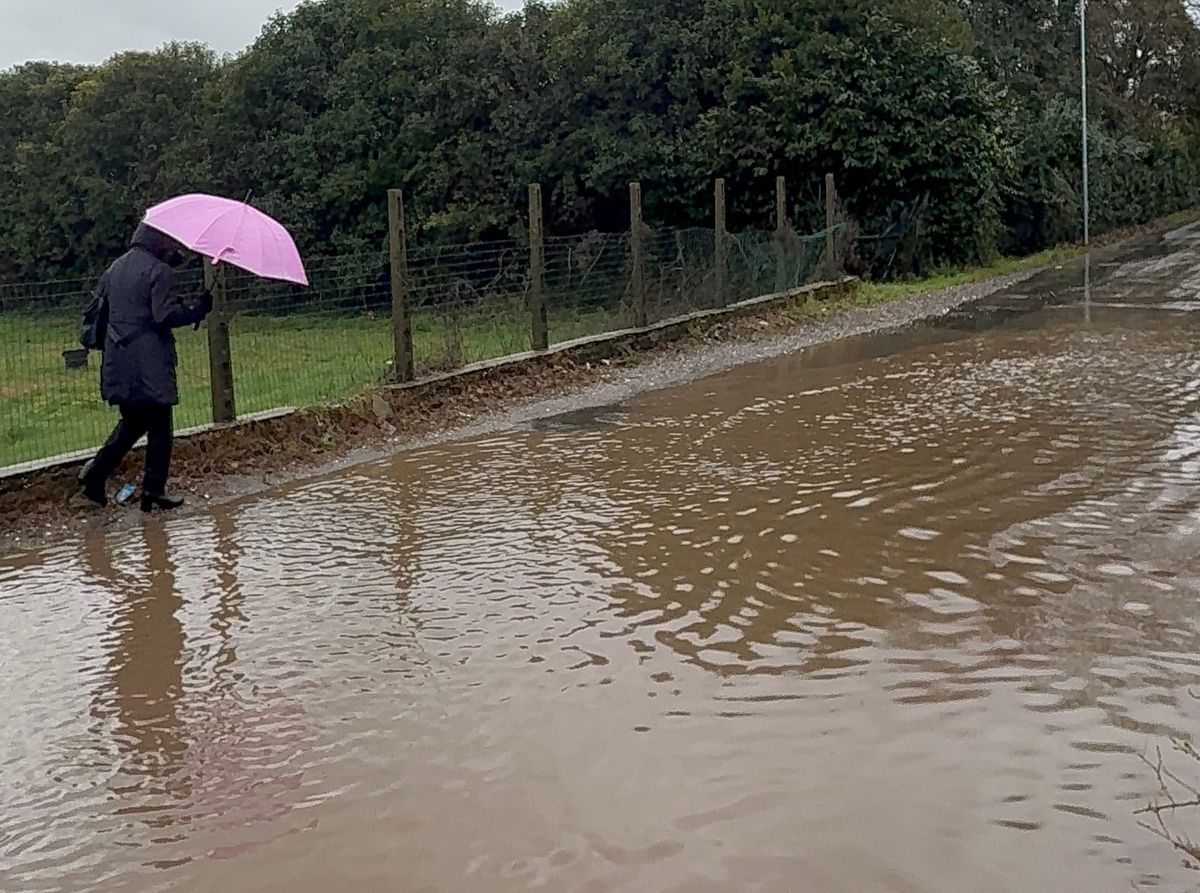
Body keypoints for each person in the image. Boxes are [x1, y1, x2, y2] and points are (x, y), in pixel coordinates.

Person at [80, 223, 213, 512]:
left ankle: (95, 475)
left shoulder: (114, 268)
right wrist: (197, 309)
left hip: (118, 360)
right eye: (171, 245)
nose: (175, 250)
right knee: (160, 428)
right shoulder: (159, 270)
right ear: (160, 243)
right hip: (149, 363)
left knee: (133, 423)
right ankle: (153, 491)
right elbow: (163, 316)